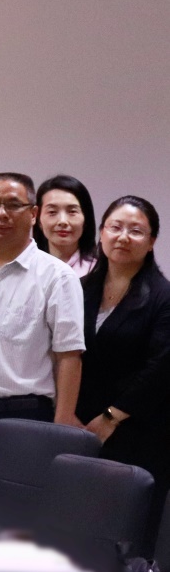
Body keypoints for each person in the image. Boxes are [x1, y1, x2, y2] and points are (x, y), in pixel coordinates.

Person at [0, 173, 85, 506]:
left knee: (12, 519)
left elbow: (69, 356)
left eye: (12, 205)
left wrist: (61, 427)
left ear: (33, 213)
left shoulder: (57, 277)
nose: (1, 214)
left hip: (24, 419)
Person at [75, 196, 170, 537]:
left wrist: (111, 416)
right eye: (115, 227)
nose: (123, 237)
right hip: (80, 425)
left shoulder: (163, 296)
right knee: (77, 525)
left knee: (125, 533)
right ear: (101, 233)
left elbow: (161, 368)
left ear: (152, 241)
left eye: (136, 231)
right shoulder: (81, 288)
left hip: (138, 431)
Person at [33, 174, 98, 278]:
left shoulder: (100, 271)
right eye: (52, 212)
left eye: (72, 211)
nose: (62, 221)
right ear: (38, 219)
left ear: (86, 218)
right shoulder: (27, 269)